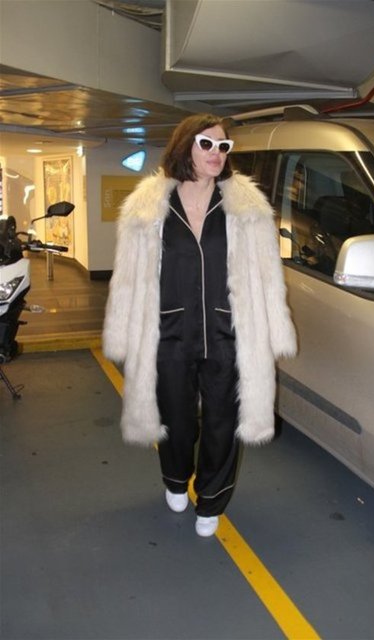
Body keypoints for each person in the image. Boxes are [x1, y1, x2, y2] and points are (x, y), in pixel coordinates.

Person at [103, 113, 297, 537]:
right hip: (168, 333)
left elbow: (267, 276)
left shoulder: (247, 208)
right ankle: (176, 478)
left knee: (222, 423)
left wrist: (271, 327)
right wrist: (124, 328)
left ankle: (212, 499)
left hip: (228, 334)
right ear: (185, 146)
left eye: (223, 146)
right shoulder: (147, 207)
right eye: (206, 143)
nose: (216, 153)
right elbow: (129, 277)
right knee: (176, 419)